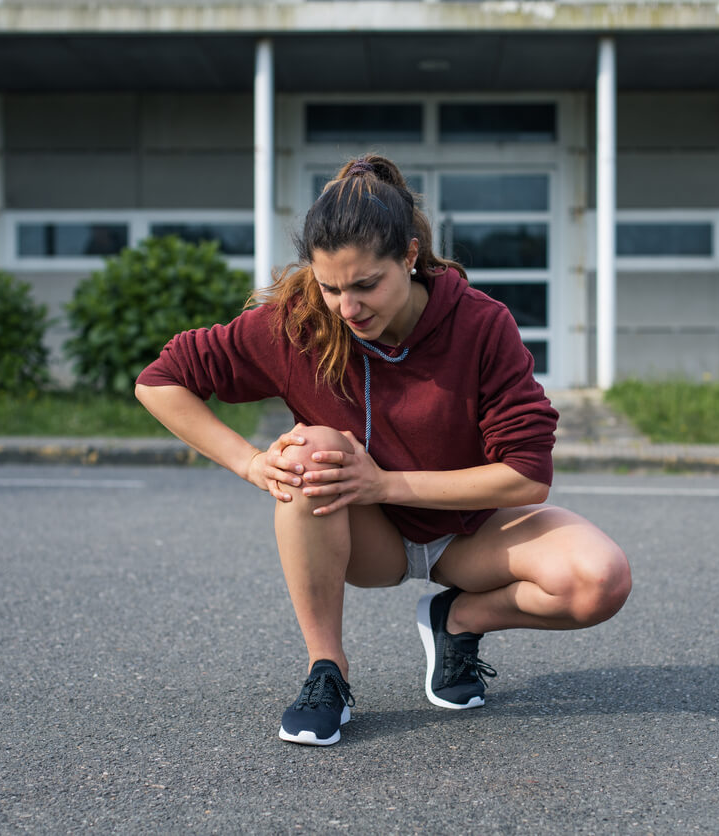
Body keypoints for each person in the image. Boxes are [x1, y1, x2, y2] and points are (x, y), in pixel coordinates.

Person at [135, 154, 631, 746]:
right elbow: (159, 380)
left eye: (368, 284)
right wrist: (249, 461)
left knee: (599, 580)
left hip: (467, 535)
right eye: (331, 287)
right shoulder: (300, 324)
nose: (349, 308)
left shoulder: (480, 325)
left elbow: (526, 476)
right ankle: (328, 672)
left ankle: (457, 621)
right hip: (373, 543)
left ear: (411, 257)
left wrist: (385, 483)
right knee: (303, 454)